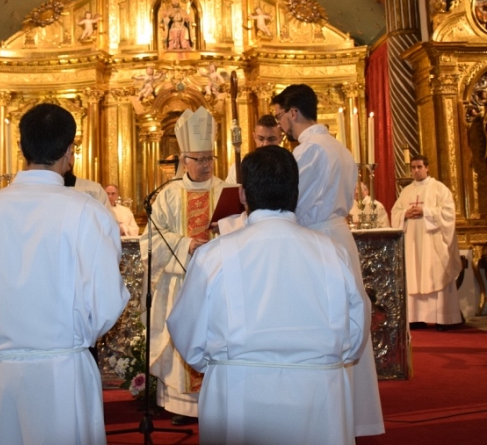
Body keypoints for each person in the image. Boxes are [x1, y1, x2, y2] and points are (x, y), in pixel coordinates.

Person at [0, 103, 129, 445]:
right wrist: (69, 341)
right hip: (63, 377)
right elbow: (106, 302)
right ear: (70, 151)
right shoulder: (87, 212)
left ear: (22, 148)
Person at [167, 145, 369, 445]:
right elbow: (356, 331)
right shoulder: (332, 252)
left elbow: (186, 331)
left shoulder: (214, 255)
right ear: (296, 191)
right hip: (319, 397)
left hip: (238, 393)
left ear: (244, 195)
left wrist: (223, 362)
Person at [271, 83, 384, 437]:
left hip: (316, 241)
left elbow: (293, 201)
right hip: (339, 237)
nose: (280, 127)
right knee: (348, 320)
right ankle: (353, 415)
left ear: (293, 113)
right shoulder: (341, 149)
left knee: (324, 325)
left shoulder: (308, 152)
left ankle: (325, 416)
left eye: (279, 117)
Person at [140, 105, 227, 425]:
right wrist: (185, 243)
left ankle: (214, 400)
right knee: (184, 334)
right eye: (199, 159)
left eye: (209, 159)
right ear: (184, 160)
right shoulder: (168, 194)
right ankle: (182, 405)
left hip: (217, 281)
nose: (205, 166)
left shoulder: (224, 190)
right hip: (179, 282)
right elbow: (150, 239)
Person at [391, 155, 462, 329]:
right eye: (413, 167)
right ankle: (416, 318)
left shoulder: (439, 188)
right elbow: (395, 212)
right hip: (413, 244)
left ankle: (443, 318)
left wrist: (426, 211)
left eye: (419, 167)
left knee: (436, 274)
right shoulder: (406, 191)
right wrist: (404, 215)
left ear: (427, 167)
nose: (416, 170)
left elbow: (448, 213)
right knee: (414, 275)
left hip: (433, 243)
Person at [225, 114, 283, 184]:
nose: (265, 144)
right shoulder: (238, 168)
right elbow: (230, 193)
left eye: (271, 139)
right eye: (261, 139)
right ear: (254, 137)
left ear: (280, 139)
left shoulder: (287, 166)